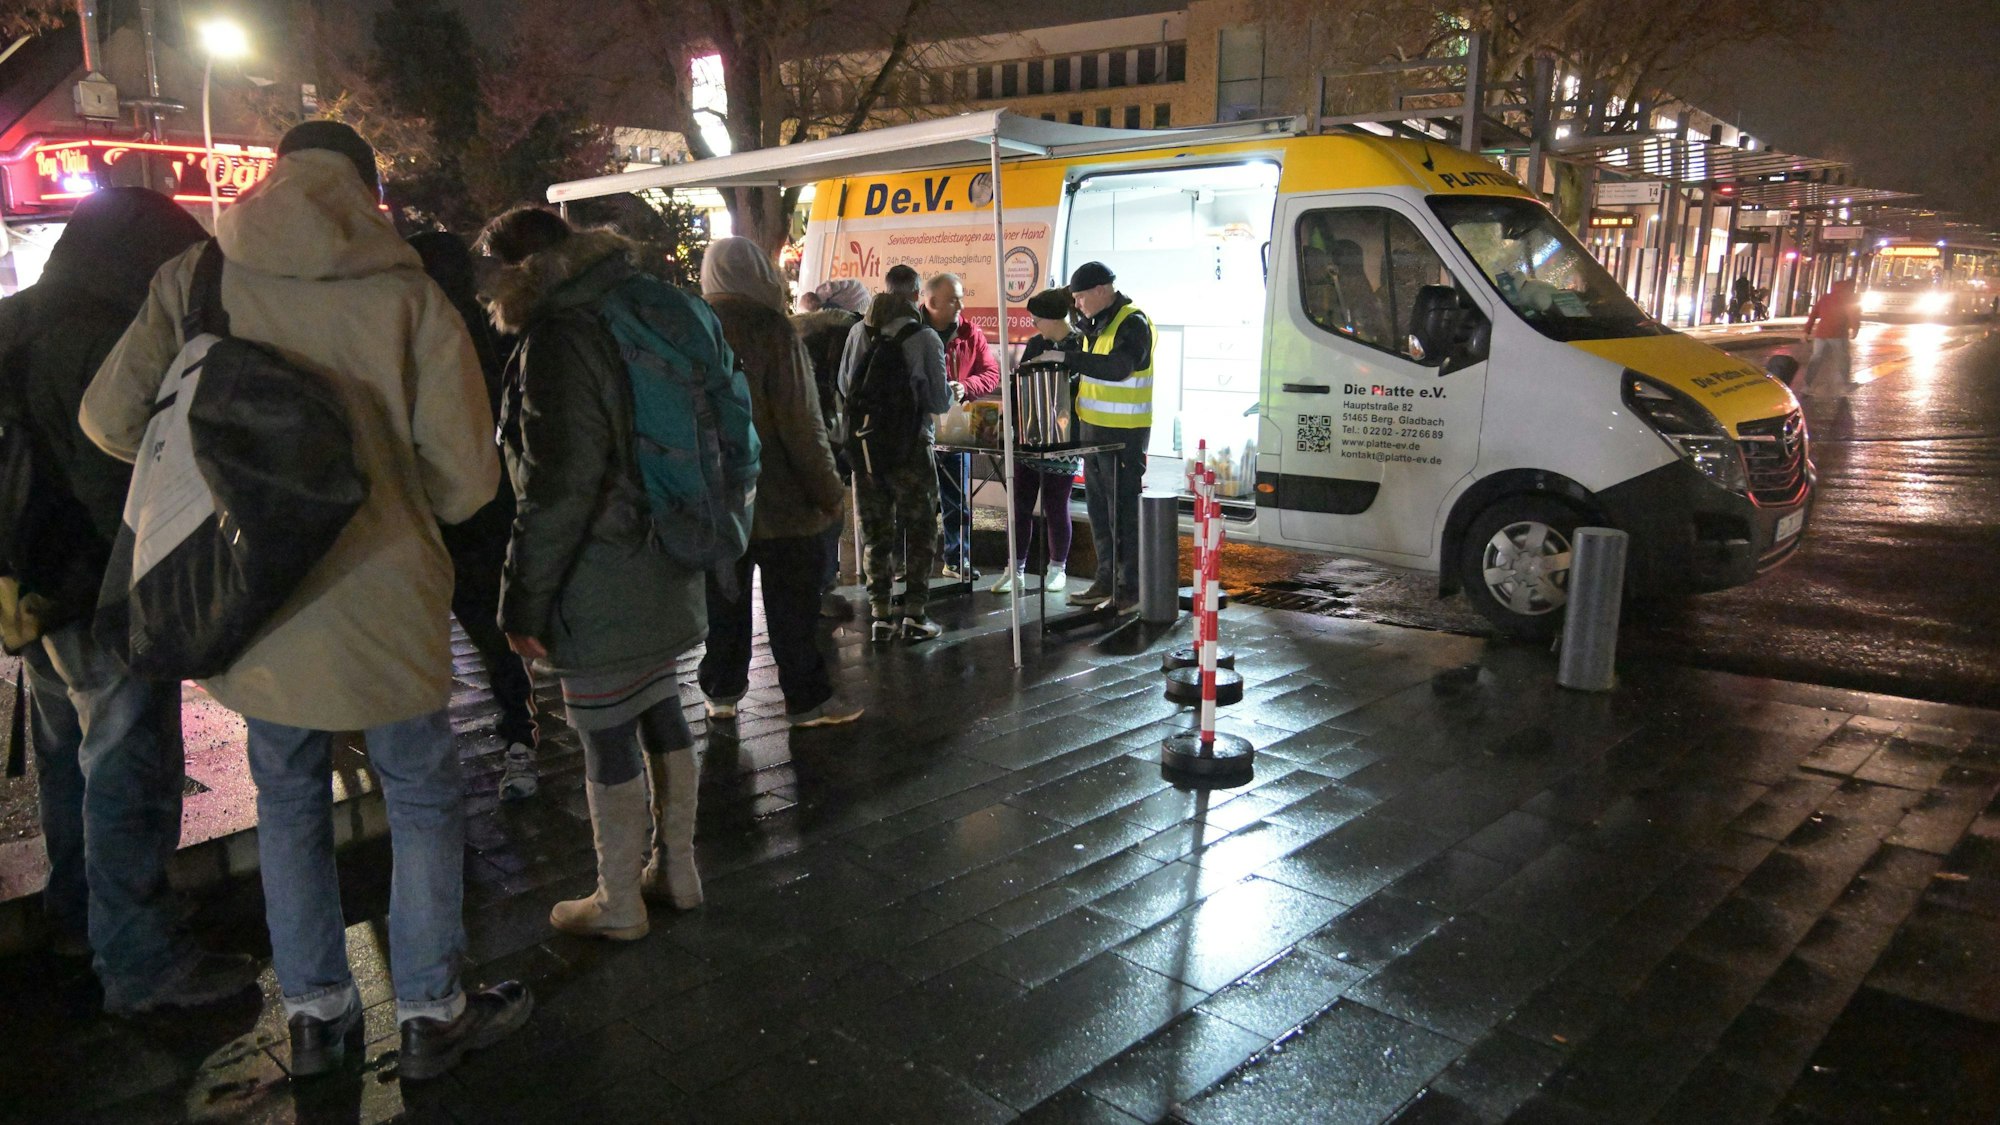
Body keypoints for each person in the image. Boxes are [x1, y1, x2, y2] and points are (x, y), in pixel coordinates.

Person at [82, 122, 527, 1081]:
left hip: (257, 603)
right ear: (367, 192)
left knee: (286, 798)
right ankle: (430, 1006)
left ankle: (318, 1014)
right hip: (388, 604)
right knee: (418, 792)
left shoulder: (198, 278)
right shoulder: (409, 293)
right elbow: (465, 483)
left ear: (275, 175)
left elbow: (109, 419)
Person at [0, 188, 258, 1014]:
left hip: (30, 593)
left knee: (69, 763)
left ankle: (81, 913)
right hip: (95, 591)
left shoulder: (18, 317)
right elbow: (118, 490)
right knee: (128, 768)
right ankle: (142, 960)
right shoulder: (95, 334)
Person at [483, 207, 734, 946]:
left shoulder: (559, 335)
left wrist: (522, 596)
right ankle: (677, 869)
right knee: (660, 700)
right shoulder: (637, 304)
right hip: (667, 545)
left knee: (602, 727)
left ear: (516, 268)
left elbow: (558, 484)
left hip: (598, 568)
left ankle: (619, 896)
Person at [697, 238, 862, 727]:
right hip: (782, 497)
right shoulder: (772, 328)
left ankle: (720, 691)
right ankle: (806, 699)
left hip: (716, 495)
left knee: (723, 603)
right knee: (792, 606)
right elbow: (801, 421)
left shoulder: (692, 326)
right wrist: (828, 490)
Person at [409, 230, 541, 801]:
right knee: (493, 633)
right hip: (489, 503)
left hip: (421, 508)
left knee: (420, 637)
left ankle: (425, 759)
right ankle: (520, 740)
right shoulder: (490, 329)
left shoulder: (409, 330)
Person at [840, 287, 951, 641]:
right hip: (911, 447)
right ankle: (915, 614)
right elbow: (938, 400)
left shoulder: (859, 333)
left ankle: (880, 615)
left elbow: (845, 386)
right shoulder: (925, 338)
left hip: (867, 449)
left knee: (875, 532)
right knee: (920, 530)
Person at [1051, 261, 1153, 610]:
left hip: (1124, 436)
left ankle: (1128, 591)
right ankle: (1105, 581)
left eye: (1080, 297)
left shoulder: (1133, 323)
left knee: (1123, 514)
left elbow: (1119, 368)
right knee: (1099, 512)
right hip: (1095, 433)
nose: (1076, 305)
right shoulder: (1097, 324)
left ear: (1101, 291)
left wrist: (1071, 359)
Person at [993, 287, 1081, 594]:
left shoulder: (1079, 345)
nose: (1034, 324)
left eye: (1037, 318)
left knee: (1056, 505)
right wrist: (1012, 424)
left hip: (1063, 441)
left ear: (1053, 318)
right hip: (1029, 438)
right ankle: (1014, 568)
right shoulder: (1035, 344)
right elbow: (1019, 385)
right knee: (1019, 505)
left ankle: (1058, 568)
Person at [794, 279, 869, 618]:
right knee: (828, 511)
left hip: (793, 439)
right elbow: (847, 388)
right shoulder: (846, 334)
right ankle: (822, 588)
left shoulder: (793, 335)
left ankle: (810, 588)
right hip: (826, 435)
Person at [923, 272, 1000, 581]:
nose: (961, 304)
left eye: (961, 296)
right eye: (954, 298)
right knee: (919, 502)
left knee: (957, 499)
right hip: (920, 431)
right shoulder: (913, 332)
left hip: (956, 429)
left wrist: (965, 386)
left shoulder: (971, 333)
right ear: (931, 302)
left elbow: (991, 373)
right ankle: (911, 563)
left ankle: (957, 559)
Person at [1802, 279, 1861, 396]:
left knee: (1816, 359)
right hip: (1838, 334)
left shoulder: (1825, 297)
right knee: (1842, 359)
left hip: (1821, 333)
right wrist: (1855, 329)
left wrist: (1806, 331)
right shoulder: (1849, 298)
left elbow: (1813, 314)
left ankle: (1807, 385)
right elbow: (1852, 314)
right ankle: (1845, 385)